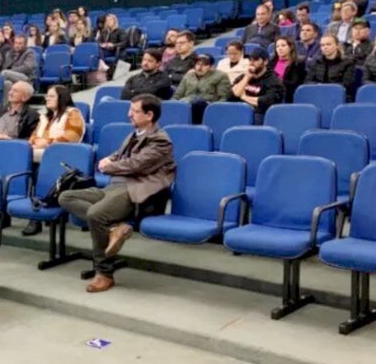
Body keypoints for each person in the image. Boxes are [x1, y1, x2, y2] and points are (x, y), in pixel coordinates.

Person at [58, 94, 175, 294]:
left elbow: (136, 165)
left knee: (96, 215)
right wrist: (109, 159)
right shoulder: (134, 134)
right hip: (115, 186)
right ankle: (114, 228)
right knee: (66, 197)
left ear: (149, 115)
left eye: (135, 111)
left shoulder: (160, 140)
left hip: (134, 190)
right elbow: (119, 155)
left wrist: (110, 166)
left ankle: (104, 273)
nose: (129, 114)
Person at [28, 85, 85, 162]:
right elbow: (34, 135)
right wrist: (35, 141)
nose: (47, 99)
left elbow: (72, 137)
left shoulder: (73, 113)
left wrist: (48, 142)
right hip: (39, 150)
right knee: (18, 152)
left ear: (62, 98)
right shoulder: (45, 117)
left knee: (22, 155)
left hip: (61, 152)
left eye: (51, 96)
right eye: (47, 96)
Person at [229, 48, 284, 124]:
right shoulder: (244, 76)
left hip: (260, 115)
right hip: (239, 111)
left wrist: (244, 97)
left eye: (255, 60)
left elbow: (266, 101)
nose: (251, 63)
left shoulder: (274, 81)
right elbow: (233, 94)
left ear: (265, 62)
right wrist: (247, 78)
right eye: (250, 60)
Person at [172, 53, 230, 121]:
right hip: (186, 104)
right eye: (198, 64)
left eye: (205, 65)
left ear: (211, 67)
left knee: (197, 102)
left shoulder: (221, 76)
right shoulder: (189, 75)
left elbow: (223, 98)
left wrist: (215, 110)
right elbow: (177, 95)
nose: (200, 67)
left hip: (207, 105)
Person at [305, 34, 355, 99]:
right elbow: (307, 81)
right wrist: (318, 86)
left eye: (328, 44)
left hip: (338, 96)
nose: (325, 47)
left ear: (337, 45)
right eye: (322, 45)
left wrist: (326, 88)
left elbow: (347, 84)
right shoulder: (316, 62)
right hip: (318, 94)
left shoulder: (348, 63)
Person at [270, 36, 306, 103]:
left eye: (283, 45)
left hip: (289, 95)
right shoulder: (271, 62)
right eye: (277, 46)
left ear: (291, 47)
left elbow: (294, 83)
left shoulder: (298, 63)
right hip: (271, 94)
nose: (280, 48)